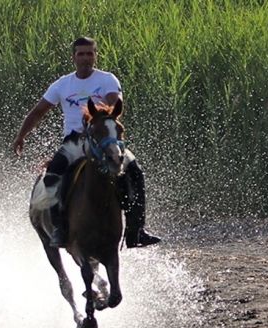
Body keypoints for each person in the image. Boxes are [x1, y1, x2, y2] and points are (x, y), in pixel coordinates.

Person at [12, 36, 161, 249]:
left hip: (103, 140)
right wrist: (21, 135)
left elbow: (113, 102)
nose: (85, 58)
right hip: (74, 142)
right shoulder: (63, 84)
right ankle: (60, 228)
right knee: (53, 175)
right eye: (80, 54)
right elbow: (38, 111)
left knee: (135, 171)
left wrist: (99, 122)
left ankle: (136, 230)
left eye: (89, 53)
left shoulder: (107, 79)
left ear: (95, 56)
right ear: (73, 57)